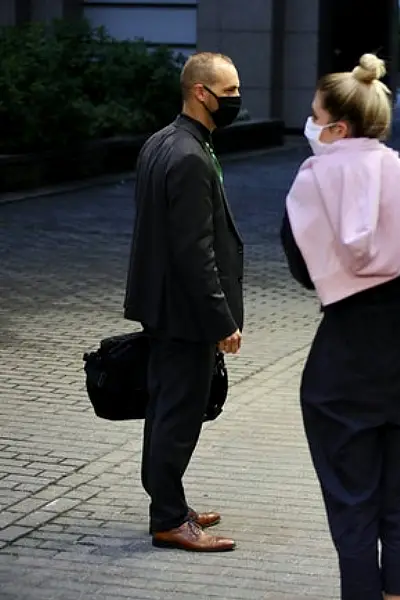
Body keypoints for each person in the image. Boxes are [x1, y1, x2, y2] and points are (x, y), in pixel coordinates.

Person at [281, 53, 400, 600]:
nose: (311, 123)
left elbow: (303, 271)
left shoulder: (310, 184)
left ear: (338, 126)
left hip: (341, 362)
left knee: (351, 497)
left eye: (315, 115)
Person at [124, 52, 245, 552]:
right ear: (201, 92)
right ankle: (169, 519)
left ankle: (170, 503)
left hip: (163, 306)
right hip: (186, 314)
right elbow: (195, 253)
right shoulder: (191, 157)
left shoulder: (161, 143)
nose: (237, 101)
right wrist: (222, 320)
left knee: (167, 410)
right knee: (178, 415)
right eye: (230, 92)